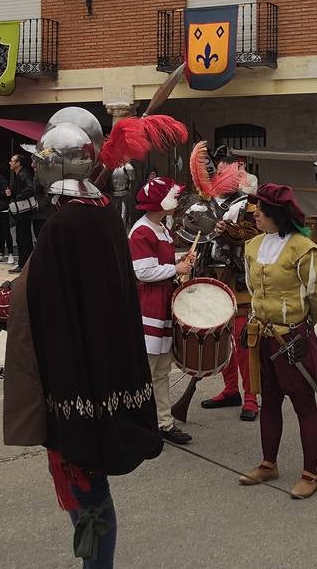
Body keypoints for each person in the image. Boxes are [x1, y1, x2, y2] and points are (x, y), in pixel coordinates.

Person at [3, 110, 163, 569]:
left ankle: (98, 565)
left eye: (40, 161)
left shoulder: (62, 227)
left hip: (75, 376)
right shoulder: (103, 215)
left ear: (53, 166)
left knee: (86, 481)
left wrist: (7, 299)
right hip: (103, 364)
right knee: (89, 481)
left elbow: (45, 304)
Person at [238, 183, 317, 500]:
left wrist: (302, 326)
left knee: (304, 404)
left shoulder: (302, 248)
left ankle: (310, 474)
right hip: (263, 336)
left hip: (292, 337)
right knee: (270, 401)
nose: (256, 215)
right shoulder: (252, 247)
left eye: (261, 212)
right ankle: (268, 464)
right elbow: (253, 290)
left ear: (276, 214)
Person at [128, 176, 195, 445]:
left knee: (161, 371)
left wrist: (181, 259)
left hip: (162, 302)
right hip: (148, 305)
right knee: (147, 370)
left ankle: (163, 422)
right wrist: (175, 269)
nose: (177, 203)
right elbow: (142, 271)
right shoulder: (141, 231)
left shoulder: (161, 228)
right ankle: (143, 424)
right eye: (173, 197)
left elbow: (161, 262)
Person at [201, 156, 261, 421]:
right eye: (217, 171)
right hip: (211, 273)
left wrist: (227, 230)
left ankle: (250, 396)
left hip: (238, 277)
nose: (219, 174)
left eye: (225, 170)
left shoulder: (250, 203)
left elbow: (252, 234)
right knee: (221, 338)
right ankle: (230, 390)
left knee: (244, 340)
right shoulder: (207, 202)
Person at [8, 152, 37, 271]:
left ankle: (23, 264)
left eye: (12, 161)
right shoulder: (18, 174)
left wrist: (17, 198)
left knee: (23, 237)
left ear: (18, 163)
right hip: (22, 211)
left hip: (23, 211)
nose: (10, 163)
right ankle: (25, 263)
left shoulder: (23, 174)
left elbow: (30, 188)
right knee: (23, 237)